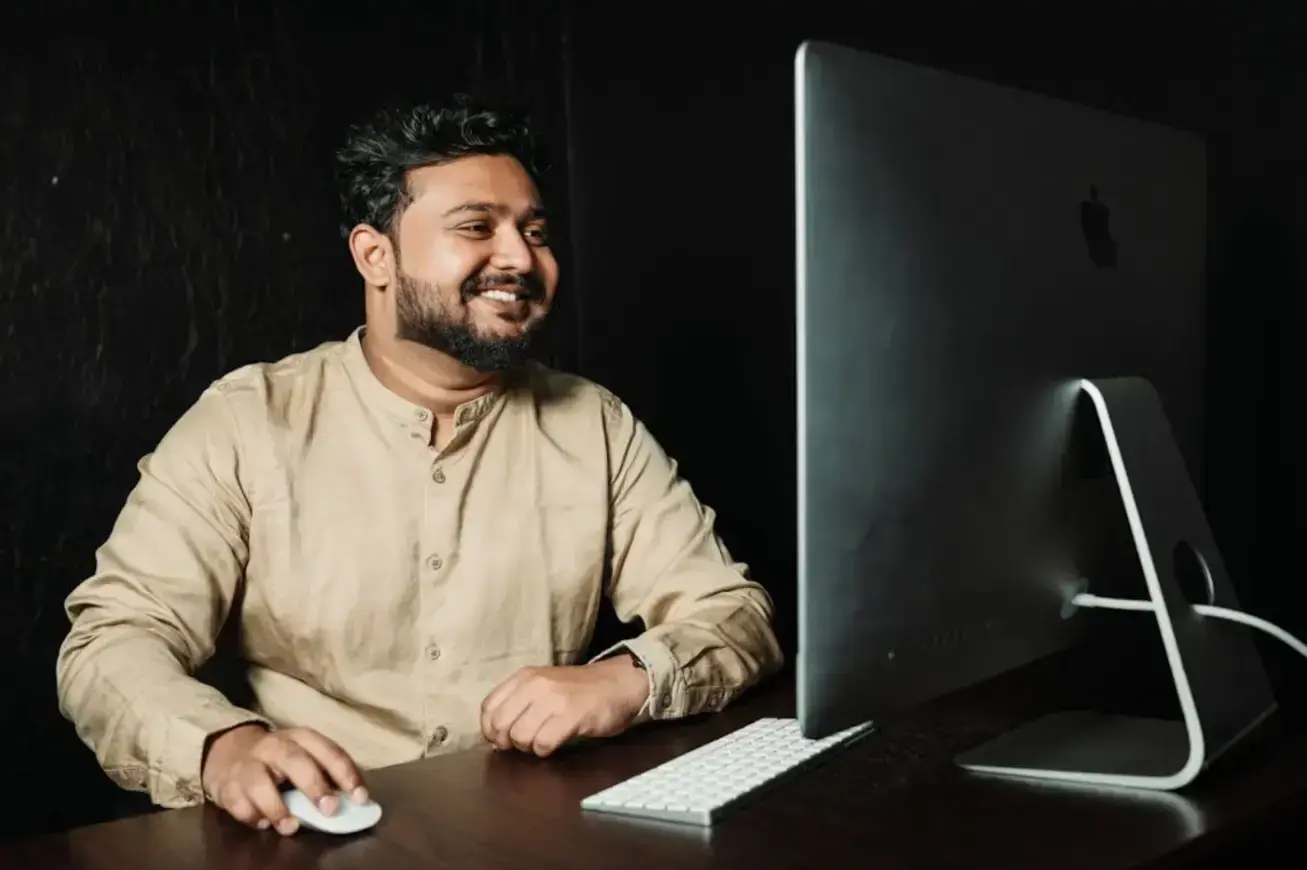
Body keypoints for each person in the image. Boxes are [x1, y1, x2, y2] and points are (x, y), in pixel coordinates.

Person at [55, 96, 783, 836]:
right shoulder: (246, 423)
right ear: (375, 255)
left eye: (535, 233)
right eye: (477, 227)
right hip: (309, 838)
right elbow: (113, 640)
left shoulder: (594, 425)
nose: (520, 258)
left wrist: (626, 679)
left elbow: (734, 613)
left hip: (527, 835)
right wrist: (220, 746)